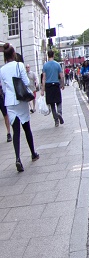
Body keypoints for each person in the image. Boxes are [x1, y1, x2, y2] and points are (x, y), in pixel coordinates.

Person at [1, 44, 38, 172]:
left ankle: (17, 158)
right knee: (27, 128)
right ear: (13, 55)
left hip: (10, 102)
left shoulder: (2, 70)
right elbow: (26, 82)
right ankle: (33, 153)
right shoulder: (19, 65)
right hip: (20, 100)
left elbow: (4, 89)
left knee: (16, 131)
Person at [41, 50, 65, 127]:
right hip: (56, 84)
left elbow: (44, 78)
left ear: (48, 55)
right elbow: (61, 76)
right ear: (53, 55)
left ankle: (56, 120)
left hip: (48, 86)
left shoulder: (45, 66)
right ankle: (59, 113)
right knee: (59, 101)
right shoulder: (57, 64)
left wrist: (42, 89)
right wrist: (62, 84)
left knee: (52, 104)